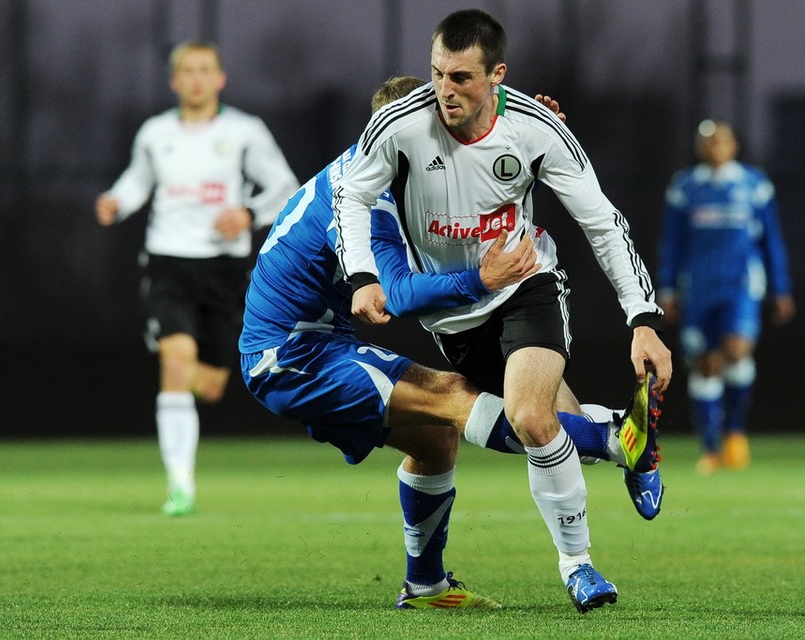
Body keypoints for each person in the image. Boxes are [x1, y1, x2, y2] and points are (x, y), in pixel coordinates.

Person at [241, 75, 663, 613]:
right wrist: (479, 281)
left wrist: (526, 129)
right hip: (291, 355)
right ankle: (615, 439)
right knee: (453, 396)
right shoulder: (363, 197)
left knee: (436, 441)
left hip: (318, 346)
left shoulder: (392, 173)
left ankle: (425, 586)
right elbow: (394, 293)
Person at [96, 41, 299, 516]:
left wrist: (247, 214)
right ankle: (180, 486)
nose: (196, 79)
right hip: (168, 262)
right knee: (175, 363)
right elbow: (137, 181)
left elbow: (285, 187)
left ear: (220, 78)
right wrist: (116, 201)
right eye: (187, 71)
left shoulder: (245, 131)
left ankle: (181, 425)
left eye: (205, 70)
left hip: (224, 268)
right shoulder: (155, 133)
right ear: (174, 81)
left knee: (207, 385)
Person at [658, 119, 794, 474]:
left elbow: (771, 241)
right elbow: (672, 243)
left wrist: (781, 288)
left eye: (721, 141)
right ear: (700, 148)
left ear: (733, 146)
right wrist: (667, 288)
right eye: (708, 142)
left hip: (741, 285)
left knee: (736, 351)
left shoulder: (754, 185)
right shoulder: (685, 188)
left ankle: (734, 432)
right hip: (699, 286)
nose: (714, 147)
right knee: (706, 363)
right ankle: (710, 448)